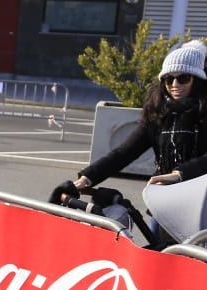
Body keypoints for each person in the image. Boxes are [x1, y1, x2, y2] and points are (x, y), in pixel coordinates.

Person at [76, 39, 207, 193]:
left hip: (201, 199)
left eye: (183, 78)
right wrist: (86, 178)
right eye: (169, 79)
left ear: (197, 80)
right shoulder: (159, 113)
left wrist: (180, 174)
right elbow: (124, 152)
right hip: (165, 198)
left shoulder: (203, 111)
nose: (175, 85)